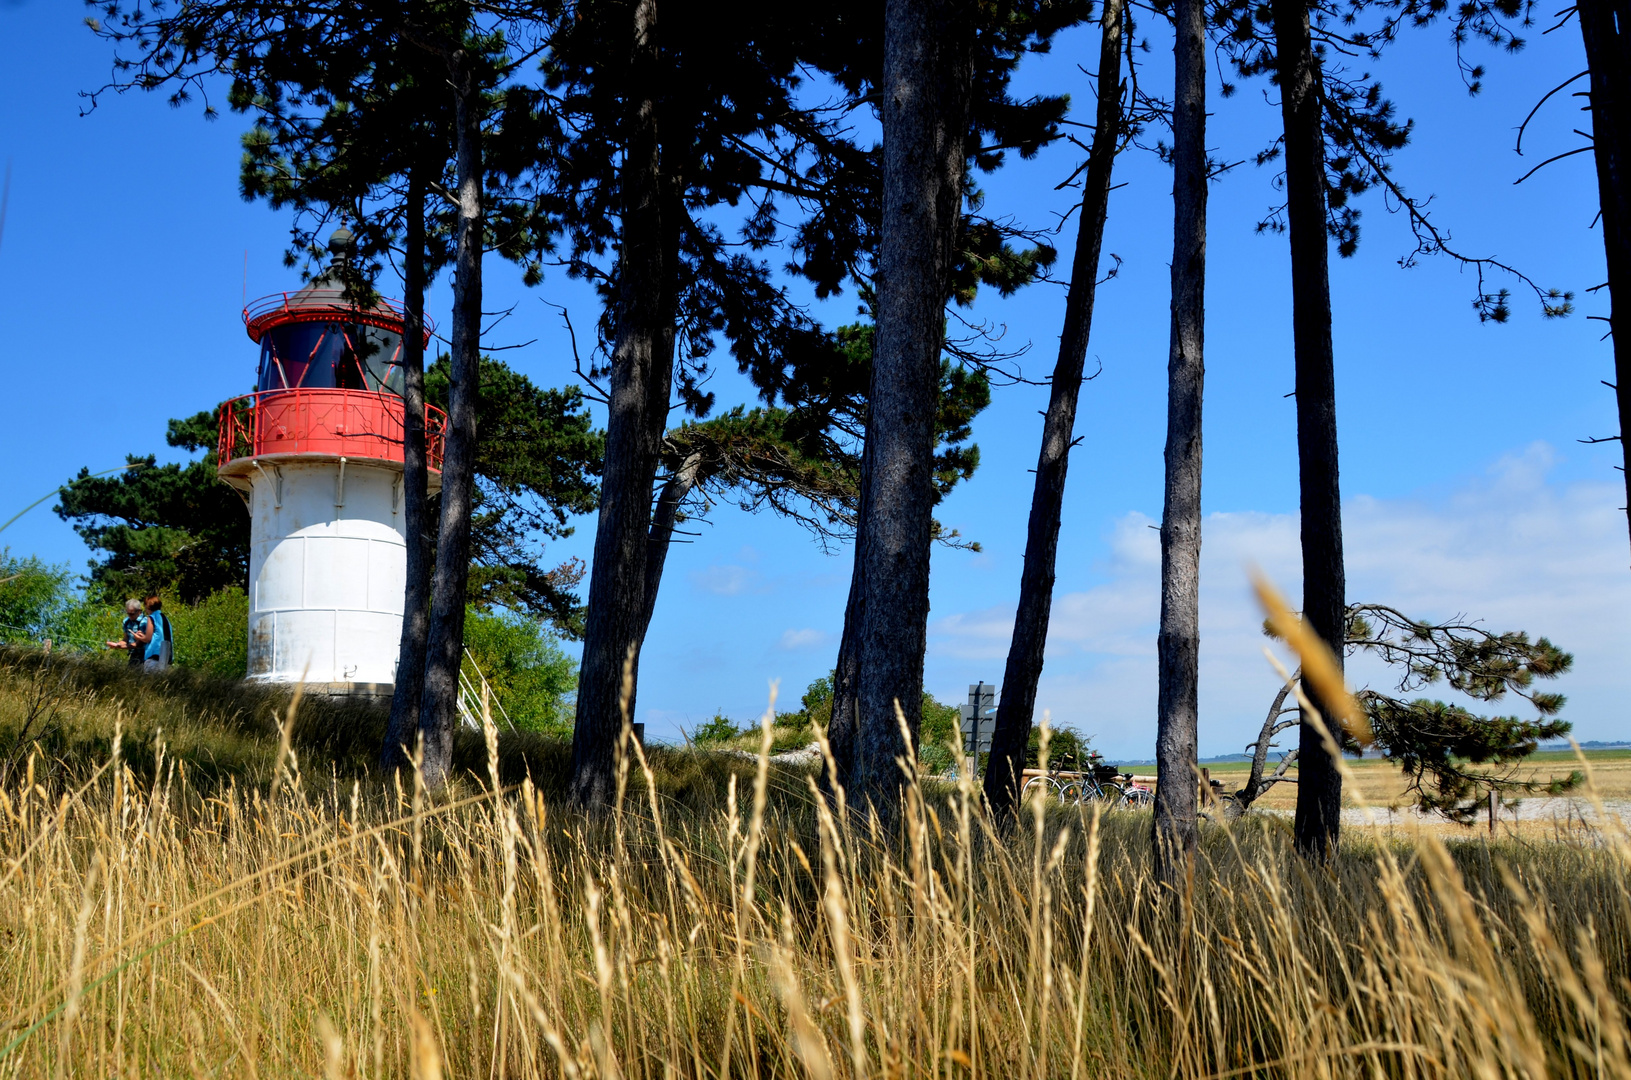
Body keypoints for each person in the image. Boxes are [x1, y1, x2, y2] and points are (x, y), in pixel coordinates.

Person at [106, 599, 147, 668]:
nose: (130, 616)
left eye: (132, 614)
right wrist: (117, 644)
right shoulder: (127, 621)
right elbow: (125, 639)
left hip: (145, 656)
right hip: (133, 655)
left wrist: (120, 647)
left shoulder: (145, 621)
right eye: (128, 614)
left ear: (139, 612)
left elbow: (139, 643)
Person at [141, 594, 172, 671]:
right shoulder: (165, 618)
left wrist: (138, 637)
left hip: (154, 656)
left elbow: (148, 638)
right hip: (167, 656)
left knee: (150, 681)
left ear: (148, 607)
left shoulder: (151, 617)